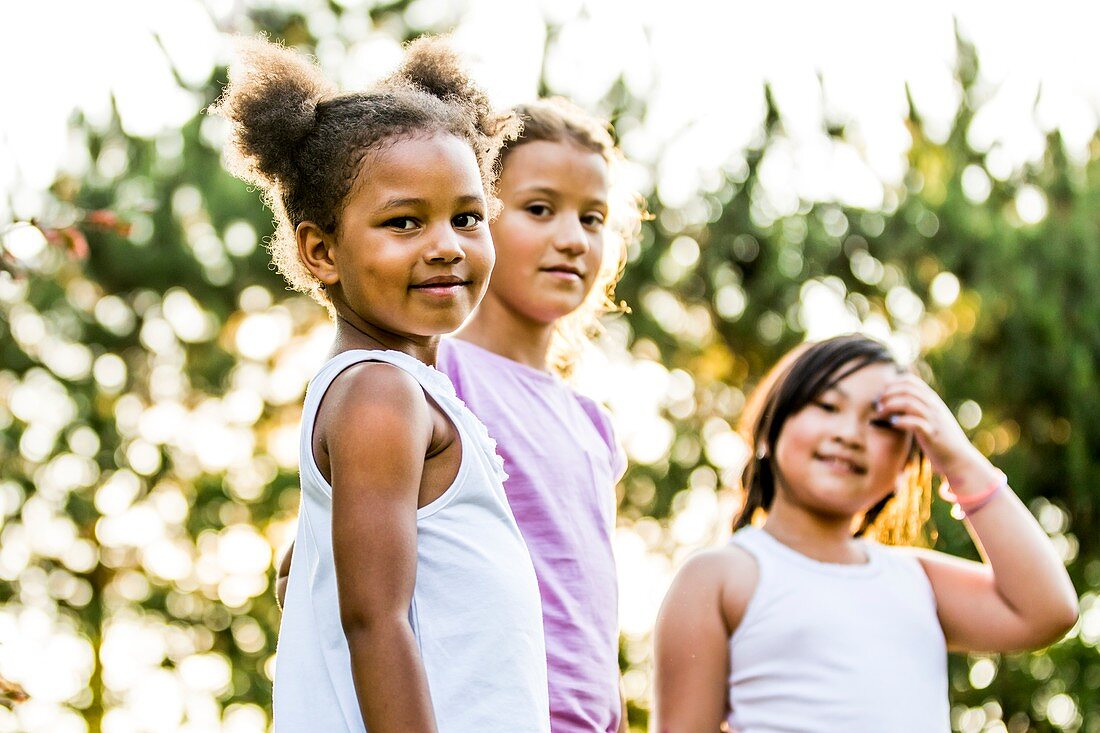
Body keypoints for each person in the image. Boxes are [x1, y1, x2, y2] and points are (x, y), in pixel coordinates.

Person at [212, 36, 549, 732]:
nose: (447, 244)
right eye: (405, 221)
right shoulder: (378, 394)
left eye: (467, 217)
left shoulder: (400, 392)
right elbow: (374, 621)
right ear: (322, 250)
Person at [652, 334, 1078, 733]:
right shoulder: (720, 577)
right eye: (827, 406)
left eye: (880, 422)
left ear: (906, 465)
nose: (849, 434)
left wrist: (959, 457)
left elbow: (1048, 610)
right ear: (770, 426)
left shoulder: (916, 581)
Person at [437, 97, 641, 733]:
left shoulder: (592, 423)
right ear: (473, 221)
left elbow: (586, 610)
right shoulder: (440, 371)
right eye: (539, 209)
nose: (573, 239)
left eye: (594, 218)